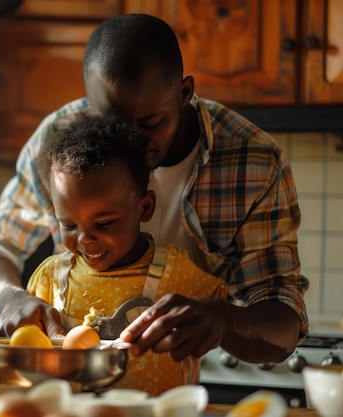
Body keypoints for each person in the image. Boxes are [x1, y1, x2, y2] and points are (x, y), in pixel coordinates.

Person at [0, 13, 309, 367]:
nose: (131, 141)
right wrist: (9, 298)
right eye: (112, 123)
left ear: (184, 94)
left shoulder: (254, 161)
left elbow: (283, 314)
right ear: (89, 105)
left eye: (150, 123)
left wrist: (224, 320)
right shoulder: (58, 144)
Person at [27, 114, 228, 394]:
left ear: (144, 208)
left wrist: (219, 320)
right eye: (69, 225)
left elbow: (224, 314)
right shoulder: (49, 278)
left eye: (104, 223)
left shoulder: (177, 272)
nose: (84, 238)